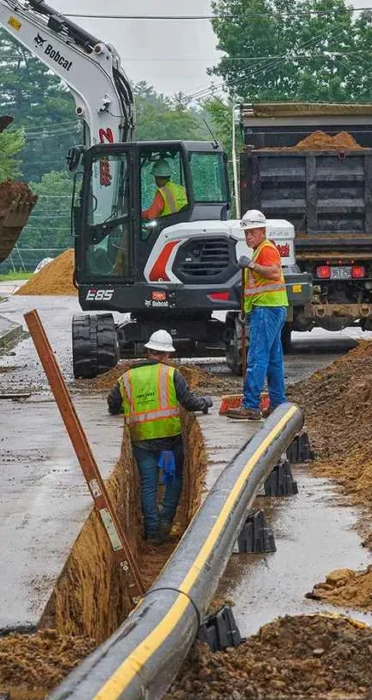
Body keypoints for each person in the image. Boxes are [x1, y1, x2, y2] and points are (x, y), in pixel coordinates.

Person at [107, 330, 212, 543]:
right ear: (166, 355)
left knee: (149, 484)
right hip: (168, 443)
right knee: (171, 478)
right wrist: (206, 403)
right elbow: (189, 402)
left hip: (142, 441)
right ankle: (166, 521)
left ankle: (152, 531)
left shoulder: (126, 377)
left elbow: (112, 404)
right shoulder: (171, 375)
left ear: (148, 351)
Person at [225, 209, 288, 421]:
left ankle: (251, 405)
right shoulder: (262, 249)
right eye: (246, 233)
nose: (248, 237)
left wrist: (251, 265)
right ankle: (278, 404)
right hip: (273, 308)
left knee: (257, 357)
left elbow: (274, 272)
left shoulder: (266, 250)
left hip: (266, 309)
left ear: (262, 231)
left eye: (252, 232)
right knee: (273, 359)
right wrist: (247, 309)